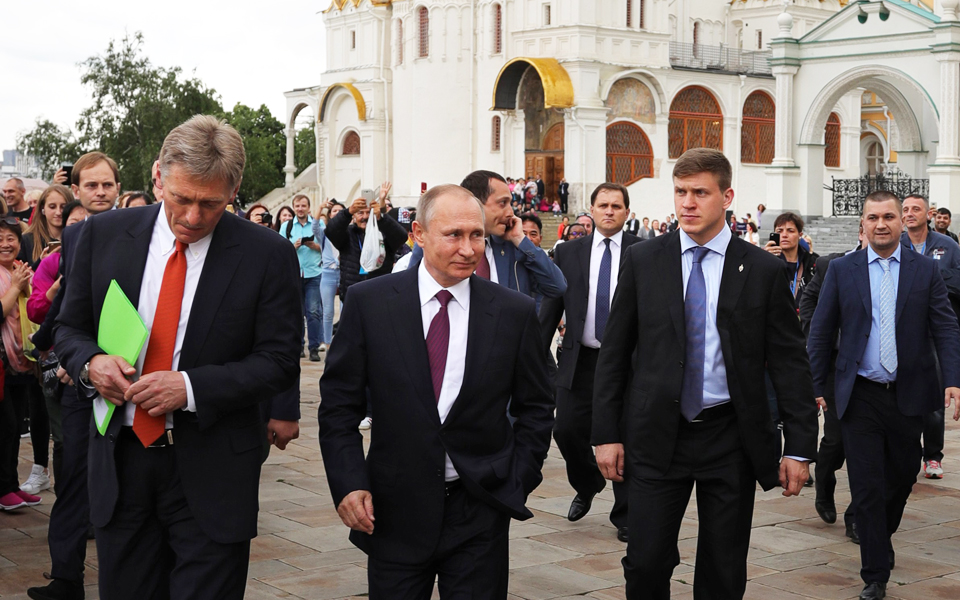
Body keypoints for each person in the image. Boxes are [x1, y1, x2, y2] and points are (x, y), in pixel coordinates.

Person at [53, 116, 301, 600]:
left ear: (233, 191)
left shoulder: (266, 253)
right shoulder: (101, 235)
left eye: (211, 204)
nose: (192, 216)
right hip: (120, 462)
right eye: (182, 199)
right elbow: (68, 327)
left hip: (213, 467)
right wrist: (89, 363)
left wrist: (189, 388)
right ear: (158, 177)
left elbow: (278, 360)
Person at [592, 148, 818, 600]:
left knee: (724, 567)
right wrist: (605, 433)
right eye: (680, 192)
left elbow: (790, 363)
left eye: (700, 192)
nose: (687, 204)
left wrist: (799, 447)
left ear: (726, 196)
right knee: (645, 562)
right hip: (656, 434)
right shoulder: (644, 261)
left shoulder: (761, 270)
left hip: (729, 437)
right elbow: (614, 353)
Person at [318, 184, 555, 600]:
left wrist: (517, 479)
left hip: (479, 508)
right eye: (454, 235)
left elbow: (536, 405)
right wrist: (349, 482)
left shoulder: (512, 311)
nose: (469, 248)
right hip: (393, 510)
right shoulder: (370, 303)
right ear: (419, 233)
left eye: (477, 235)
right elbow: (338, 405)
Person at [808, 190, 960, 600]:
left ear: (903, 222)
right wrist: (816, 387)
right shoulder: (843, 269)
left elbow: (945, 327)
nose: (881, 224)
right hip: (859, 395)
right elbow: (821, 331)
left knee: (902, 475)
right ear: (863, 223)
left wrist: (954, 378)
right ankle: (875, 574)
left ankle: (880, 536)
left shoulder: (924, 270)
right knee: (867, 485)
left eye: (889, 217)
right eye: (873, 217)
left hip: (910, 392)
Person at [27, 151, 122, 600]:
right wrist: (66, 355)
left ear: (118, 189)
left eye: (107, 185)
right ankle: (66, 578)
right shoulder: (77, 240)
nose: (100, 192)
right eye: (91, 186)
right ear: (76, 192)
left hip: (128, 381)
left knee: (125, 487)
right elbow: (67, 311)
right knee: (73, 484)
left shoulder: (141, 235)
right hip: (79, 381)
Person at [540, 183, 639, 542]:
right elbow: (552, 304)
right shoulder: (568, 252)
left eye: (616, 205)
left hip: (627, 364)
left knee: (625, 436)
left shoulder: (643, 252)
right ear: (592, 210)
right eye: (603, 205)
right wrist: (532, 352)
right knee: (565, 429)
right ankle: (588, 481)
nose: (609, 211)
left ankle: (625, 514)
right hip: (579, 360)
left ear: (627, 212)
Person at [799, 229, 866, 544]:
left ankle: (857, 516)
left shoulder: (904, 266)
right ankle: (824, 482)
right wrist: (816, 329)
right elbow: (809, 299)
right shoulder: (832, 265)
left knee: (869, 451)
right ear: (861, 231)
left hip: (878, 376)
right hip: (838, 370)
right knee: (836, 439)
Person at [408, 171, 567, 300]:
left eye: (510, 203)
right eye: (502, 203)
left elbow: (557, 287)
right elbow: (411, 292)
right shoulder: (435, 242)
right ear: (475, 203)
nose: (510, 212)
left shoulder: (514, 247)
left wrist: (521, 240)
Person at [900, 193, 960, 480]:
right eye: (905, 209)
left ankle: (933, 456)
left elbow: (957, 281)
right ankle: (905, 452)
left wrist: (929, 278)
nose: (910, 214)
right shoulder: (895, 244)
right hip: (904, 333)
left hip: (935, 333)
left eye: (916, 209)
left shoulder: (947, 245)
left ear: (929, 214)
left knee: (935, 399)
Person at [0, 218, 40, 510]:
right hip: (2, 362)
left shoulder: (19, 269)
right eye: (0, 238)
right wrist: (15, 287)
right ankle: (3, 489)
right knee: (6, 425)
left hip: (20, 360)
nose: (6, 244)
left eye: (11, 238)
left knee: (13, 428)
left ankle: (11, 484)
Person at [326, 183, 408, 303]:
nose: (365, 216)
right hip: (352, 295)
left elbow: (401, 236)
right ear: (354, 216)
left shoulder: (383, 233)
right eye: (360, 213)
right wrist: (347, 212)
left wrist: (381, 217)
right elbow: (330, 231)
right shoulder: (348, 234)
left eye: (369, 212)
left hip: (379, 294)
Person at [281, 195, 324, 361]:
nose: (300, 209)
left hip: (313, 273)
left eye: (303, 206)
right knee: (296, 312)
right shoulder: (287, 226)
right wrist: (294, 246)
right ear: (294, 207)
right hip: (294, 273)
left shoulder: (318, 224)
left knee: (313, 312)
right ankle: (298, 345)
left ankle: (313, 347)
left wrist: (315, 246)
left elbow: (327, 249)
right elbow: (281, 249)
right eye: (297, 206)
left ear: (308, 207)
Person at [764, 212, 819, 309]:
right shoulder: (765, 260)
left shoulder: (812, 262)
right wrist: (764, 261)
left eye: (790, 231)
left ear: (800, 235)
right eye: (779, 231)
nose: (784, 235)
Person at [314, 201, 344, 350]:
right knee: (328, 311)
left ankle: (344, 341)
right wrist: (320, 208)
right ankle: (327, 342)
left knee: (346, 311)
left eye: (340, 211)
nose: (337, 213)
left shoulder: (348, 231)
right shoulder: (324, 232)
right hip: (328, 273)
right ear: (330, 214)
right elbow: (314, 227)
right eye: (334, 211)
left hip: (344, 273)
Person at [23, 185, 71, 269]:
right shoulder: (27, 239)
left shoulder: (80, 237)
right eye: (52, 207)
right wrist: (41, 262)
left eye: (63, 207)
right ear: (43, 209)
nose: (58, 212)